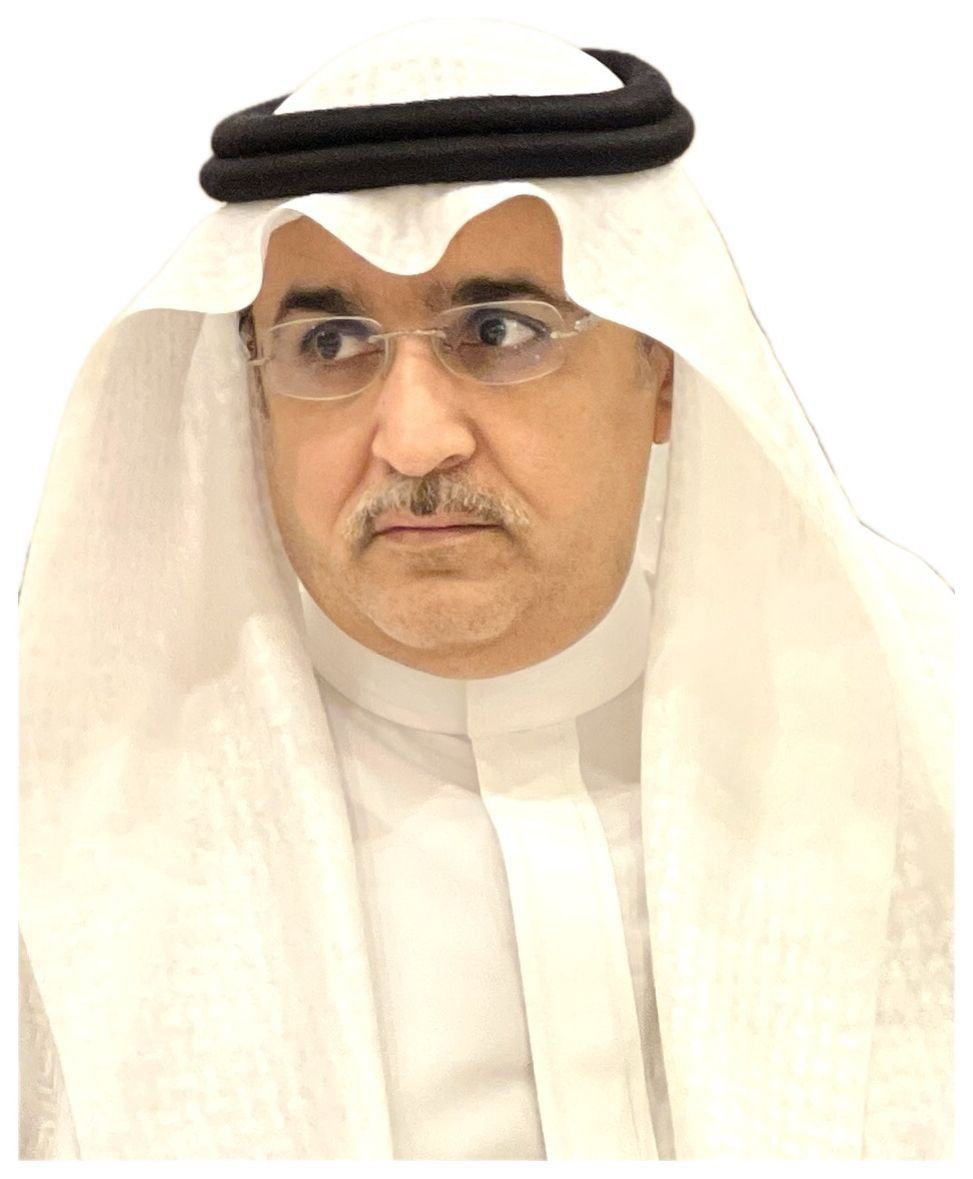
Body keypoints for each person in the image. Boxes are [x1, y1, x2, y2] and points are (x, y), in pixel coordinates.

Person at [18, 18, 954, 1162]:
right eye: (329, 345)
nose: (413, 439)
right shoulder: (56, 815)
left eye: (498, 331)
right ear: (253, 395)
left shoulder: (927, 714)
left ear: (661, 368)